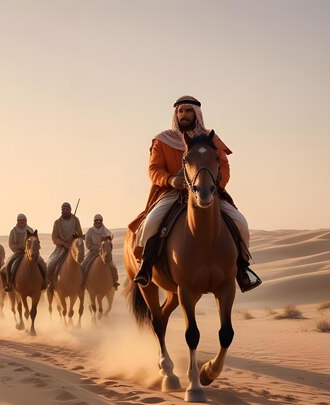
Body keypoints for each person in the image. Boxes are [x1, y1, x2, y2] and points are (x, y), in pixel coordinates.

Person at [130, 95, 261, 292]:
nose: (183, 115)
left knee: (240, 222)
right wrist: (170, 180)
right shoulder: (163, 140)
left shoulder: (211, 139)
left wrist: (217, 185)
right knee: (150, 223)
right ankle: (146, 266)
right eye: (180, 111)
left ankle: (242, 268)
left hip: (208, 192)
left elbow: (223, 166)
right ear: (176, 114)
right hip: (173, 192)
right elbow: (154, 169)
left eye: (188, 111)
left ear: (196, 114)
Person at [0, 213, 47, 292]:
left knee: (43, 263)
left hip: (31, 253)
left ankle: (44, 282)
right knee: (5, 267)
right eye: (20, 220)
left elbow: (36, 242)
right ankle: (9, 284)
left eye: (23, 220)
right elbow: (11, 244)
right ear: (17, 221)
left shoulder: (31, 230)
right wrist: (20, 248)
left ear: (26, 221)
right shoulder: (13, 231)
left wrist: (33, 250)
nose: (21, 222)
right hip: (18, 252)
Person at [47, 202, 83, 290]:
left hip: (73, 248)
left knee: (82, 264)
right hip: (60, 249)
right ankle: (51, 284)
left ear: (70, 210)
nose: (65, 210)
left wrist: (75, 237)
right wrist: (64, 244)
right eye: (63, 209)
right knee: (51, 265)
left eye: (67, 209)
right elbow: (54, 237)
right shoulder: (57, 222)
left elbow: (80, 234)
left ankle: (82, 285)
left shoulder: (75, 220)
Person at [82, 214, 120, 289]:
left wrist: (106, 250)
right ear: (94, 222)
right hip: (93, 252)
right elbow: (88, 245)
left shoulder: (106, 232)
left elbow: (110, 243)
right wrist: (98, 248)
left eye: (100, 221)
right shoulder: (90, 231)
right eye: (96, 221)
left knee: (112, 266)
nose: (98, 223)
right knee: (84, 265)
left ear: (102, 222)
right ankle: (83, 283)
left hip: (104, 253)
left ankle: (114, 281)